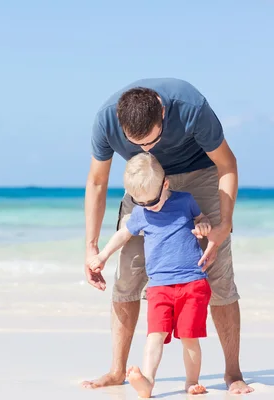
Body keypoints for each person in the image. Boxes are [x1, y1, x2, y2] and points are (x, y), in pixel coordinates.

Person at [81, 78, 254, 395]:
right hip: (144, 183)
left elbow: (227, 165)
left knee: (216, 274)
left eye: (151, 140)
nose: (147, 149)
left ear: (162, 113)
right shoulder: (106, 120)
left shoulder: (192, 108)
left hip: (200, 174)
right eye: (138, 144)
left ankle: (233, 372)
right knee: (128, 276)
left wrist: (223, 225)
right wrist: (92, 247)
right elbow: (96, 182)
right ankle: (118, 370)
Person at [87, 152, 212, 397]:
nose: (148, 207)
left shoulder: (185, 201)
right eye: (140, 202)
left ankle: (191, 382)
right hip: (159, 288)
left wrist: (204, 225)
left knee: (189, 338)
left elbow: (201, 218)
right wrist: (102, 256)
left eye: (151, 201)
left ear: (165, 185)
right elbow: (123, 235)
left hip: (192, 282)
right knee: (154, 336)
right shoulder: (141, 213)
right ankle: (147, 382)